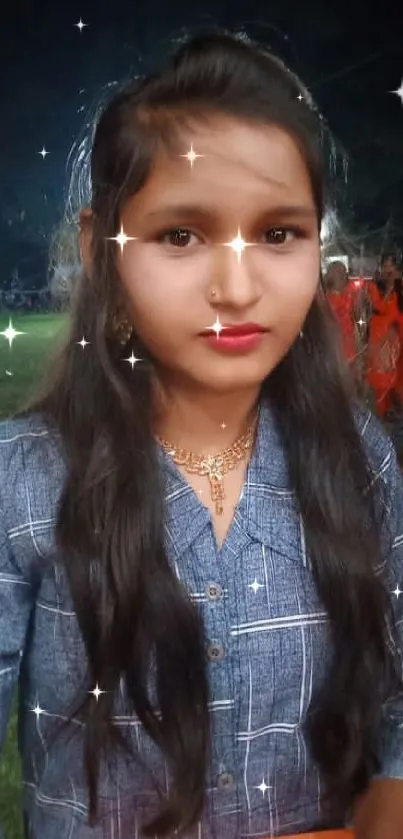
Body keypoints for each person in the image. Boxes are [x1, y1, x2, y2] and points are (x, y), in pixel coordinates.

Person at [0, 30, 403, 839]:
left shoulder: (362, 460)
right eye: (180, 235)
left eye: (277, 233)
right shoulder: (25, 479)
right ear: (100, 251)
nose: (236, 284)